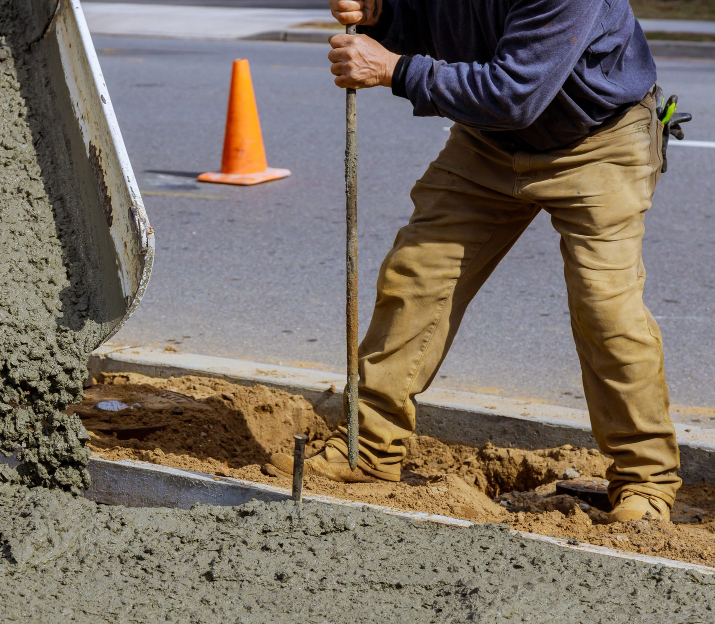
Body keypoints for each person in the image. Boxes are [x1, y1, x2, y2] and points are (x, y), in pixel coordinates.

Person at [266, 0, 682, 523]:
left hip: (597, 140)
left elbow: (516, 94)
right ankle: (369, 449)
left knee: (607, 310)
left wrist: (391, 67)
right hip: (488, 143)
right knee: (416, 274)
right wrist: (384, 15)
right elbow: (442, 23)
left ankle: (645, 481)